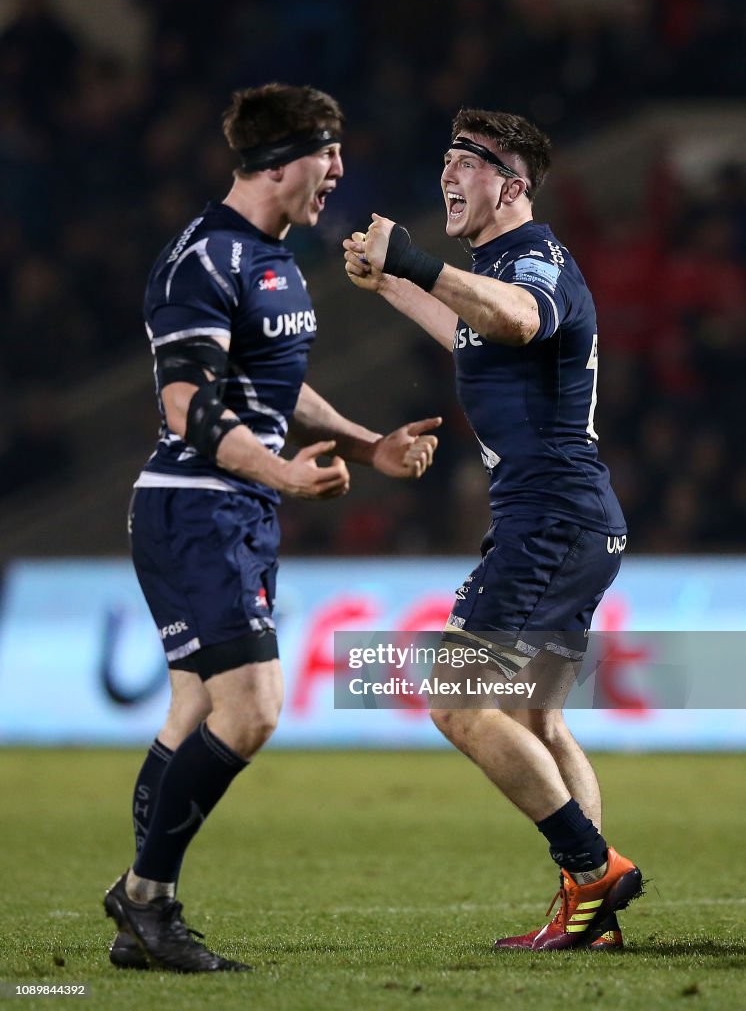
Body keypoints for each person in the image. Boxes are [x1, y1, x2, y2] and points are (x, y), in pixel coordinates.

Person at [103, 82, 441, 973]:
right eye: (328, 153)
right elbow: (188, 405)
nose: (338, 171)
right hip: (195, 507)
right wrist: (285, 471)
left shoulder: (279, 260)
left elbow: (274, 392)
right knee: (251, 711)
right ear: (279, 162)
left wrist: (367, 448)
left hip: (233, 511)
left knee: (194, 709)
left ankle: (145, 912)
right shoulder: (201, 261)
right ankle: (146, 899)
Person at [343, 108, 642, 951]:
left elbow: (515, 319)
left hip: (548, 520)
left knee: (456, 701)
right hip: (571, 518)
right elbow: (476, 333)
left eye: (468, 162)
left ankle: (594, 868)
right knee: (539, 719)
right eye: (445, 159)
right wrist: (394, 282)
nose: (449, 174)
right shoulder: (497, 268)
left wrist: (417, 261)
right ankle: (589, 916)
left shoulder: (533, 259)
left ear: (512, 185)